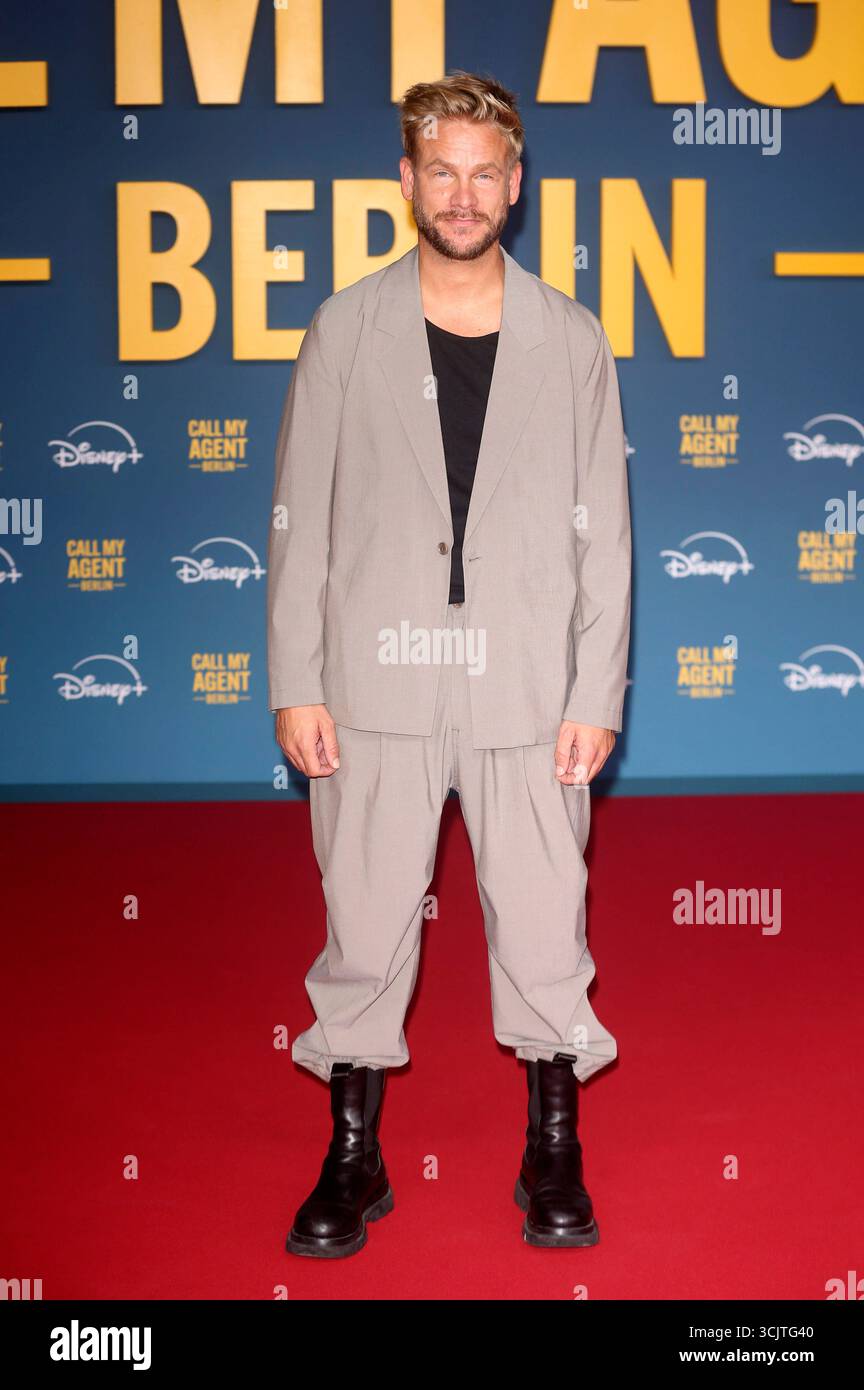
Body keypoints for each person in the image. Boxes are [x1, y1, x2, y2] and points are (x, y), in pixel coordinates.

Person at [267, 70, 631, 1257]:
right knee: (365, 920)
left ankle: (552, 1147)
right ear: (409, 180)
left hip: (528, 683)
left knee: (541, 922)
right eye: (443, 171)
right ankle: (356, 1156)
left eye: (486, 173)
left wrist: (595, 690)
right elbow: (301, 518)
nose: (463, 194)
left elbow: (607, 533)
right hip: (375, 679)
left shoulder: (571, 340)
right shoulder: (344, 328)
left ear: (515, 186)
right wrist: (298, 678)